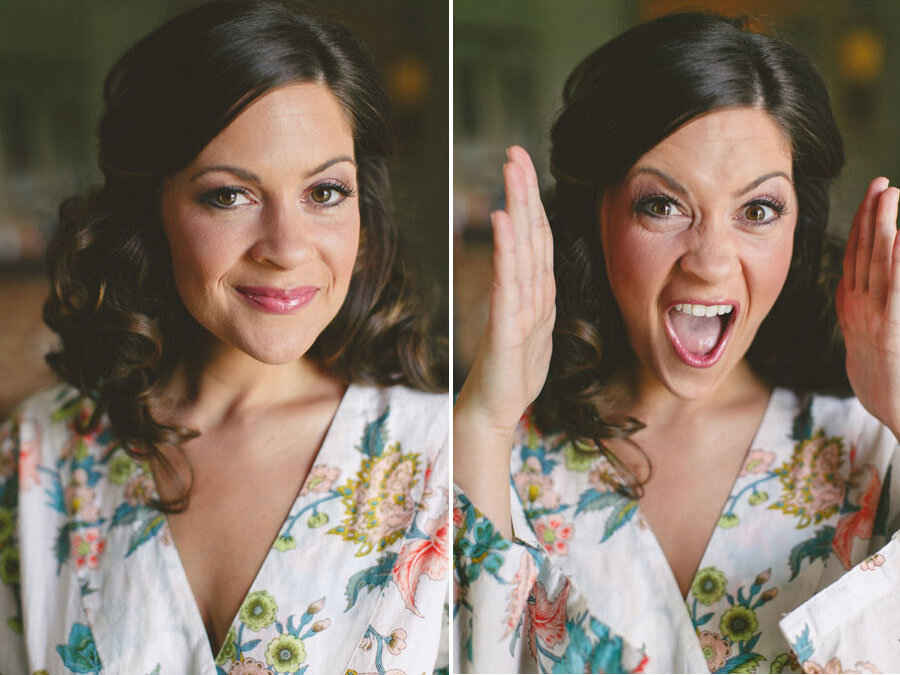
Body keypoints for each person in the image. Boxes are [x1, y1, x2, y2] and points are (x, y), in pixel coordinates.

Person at [0, 1, 449, 673]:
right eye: (228, 195)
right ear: (153, 207)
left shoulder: (450, 456)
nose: (286, 248)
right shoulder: (37, 458)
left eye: (324, 191)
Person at [454, 12, 900, 674]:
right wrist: (482, 420)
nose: (711, 262)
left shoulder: (874, 446)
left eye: (758, 210)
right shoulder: (502, 455)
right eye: (662, 205)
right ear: (594, 215)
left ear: (798, 223)